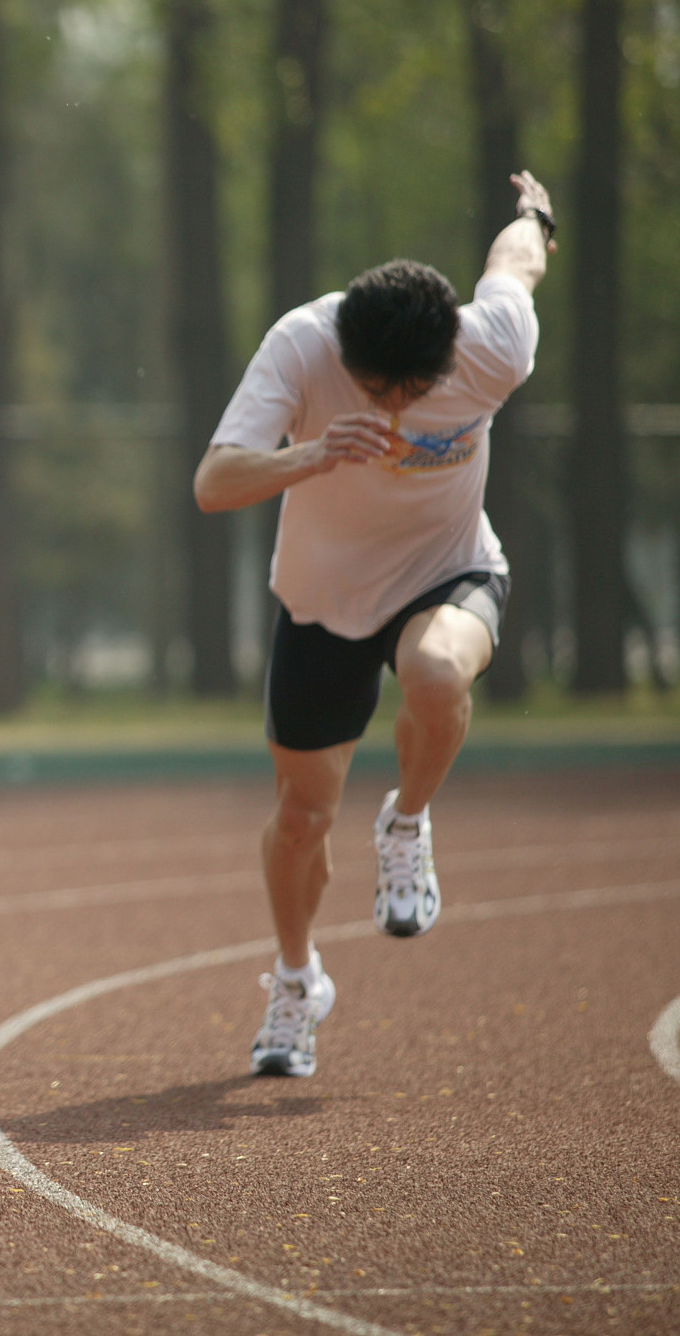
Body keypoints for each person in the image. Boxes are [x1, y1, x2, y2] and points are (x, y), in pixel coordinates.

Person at [193, 172, 555, 1079]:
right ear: (343, 353)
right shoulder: (302, 345)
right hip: (324, 598)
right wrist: (310, 454)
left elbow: (515, 259)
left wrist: (533, 212)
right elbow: (213, 482)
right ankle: (294, 978)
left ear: (449, 354)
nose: (393, 406)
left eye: (414, 389)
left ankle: (407, 823)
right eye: (373, 389)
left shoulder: (493, 343)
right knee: (303, 816)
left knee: (436, 673)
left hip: (448, 567)